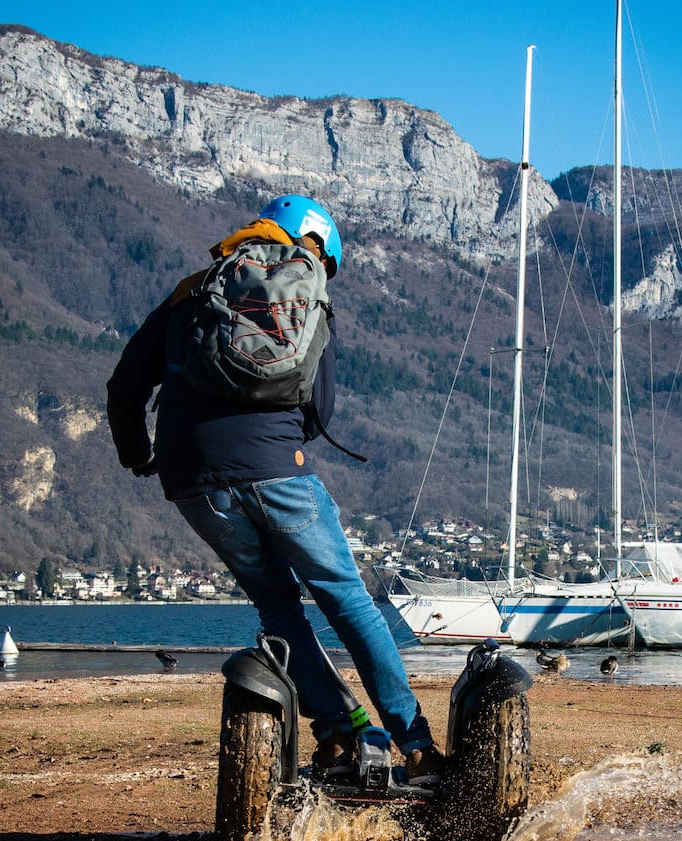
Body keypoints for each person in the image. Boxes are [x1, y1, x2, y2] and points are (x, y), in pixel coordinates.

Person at [107, 193, 443, 785]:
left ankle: (341, 733)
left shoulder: (194, 289)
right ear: (318, 250)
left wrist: (142, 455)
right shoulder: (308, 296)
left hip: (192, 482)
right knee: (347, 600)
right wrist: (279, 436)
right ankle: (414, 746)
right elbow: (321, 409)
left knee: (276, 604)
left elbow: (125, 385)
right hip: (277, 468)